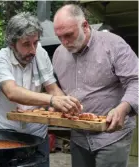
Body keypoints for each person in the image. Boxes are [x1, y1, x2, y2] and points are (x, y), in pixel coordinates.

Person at [0, 12, 82, 167]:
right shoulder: (0, 59)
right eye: (26, 44)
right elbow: (12, 92)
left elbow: (52, 88)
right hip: (6, 135)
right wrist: (52, 100)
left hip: (38, 136)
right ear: (12, 43)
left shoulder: (40, 52)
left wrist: (66, 104)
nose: (33, 50)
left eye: (35, 42)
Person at [53, 4, 138, 167]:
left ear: (85, 26)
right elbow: (62, 92)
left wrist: (124, 107)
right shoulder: (58, 55)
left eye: (69, 35)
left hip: (112, 136)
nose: (64, 42)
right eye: (60, 37)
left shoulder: (113, 45)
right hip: (78, 135)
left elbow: (135, 80)